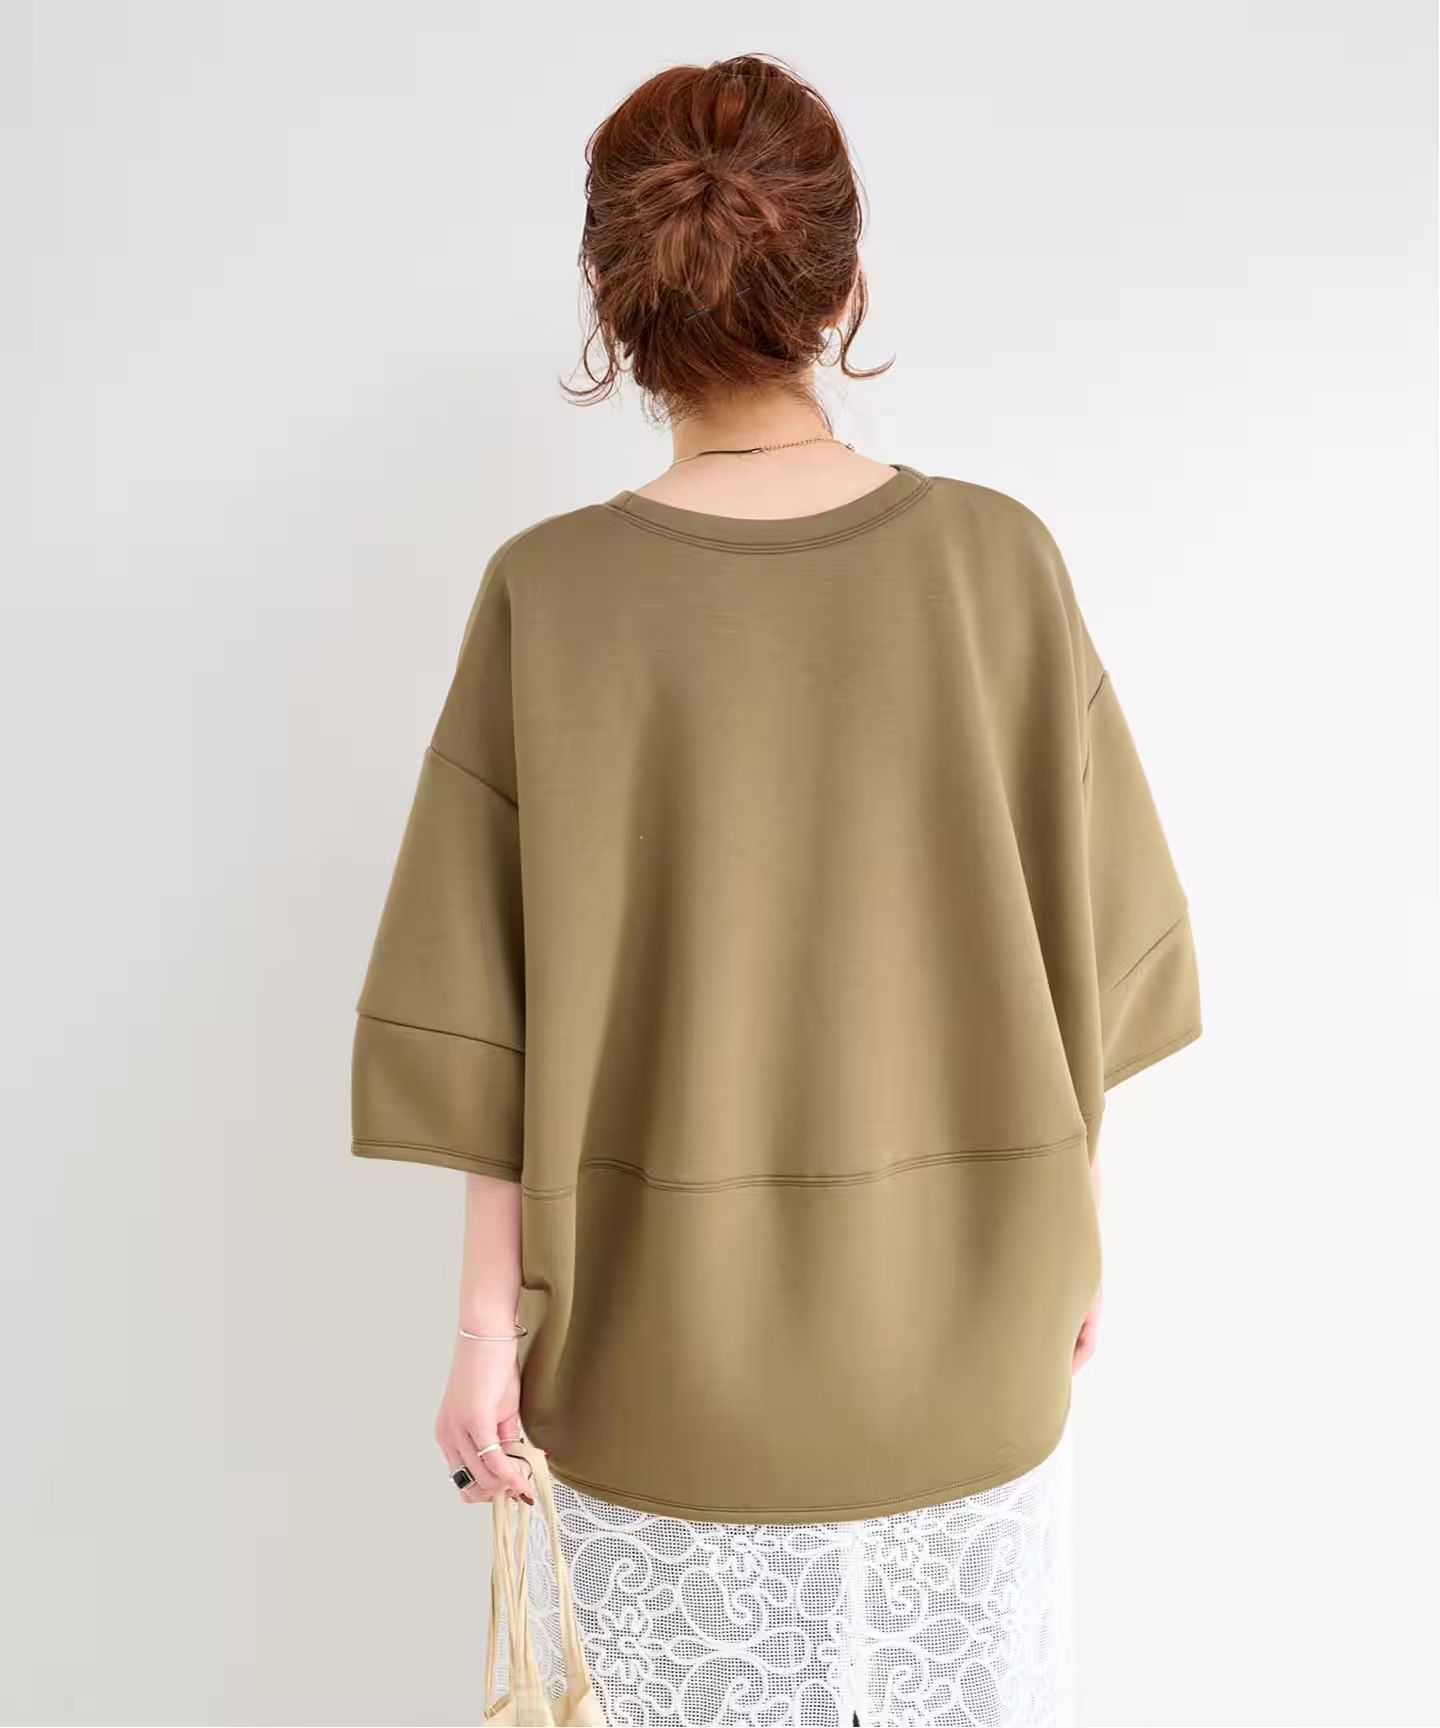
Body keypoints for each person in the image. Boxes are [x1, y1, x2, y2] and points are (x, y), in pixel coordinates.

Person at [350, 51, 1202, 1728]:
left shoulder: (551, 596)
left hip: (655, 1381)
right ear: (845, 286)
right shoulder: (999, 563)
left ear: (615, 306)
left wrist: (480, 1338)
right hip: (977, 1350)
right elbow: (1093, 957)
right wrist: (1070, 1244)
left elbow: (478, 1019)